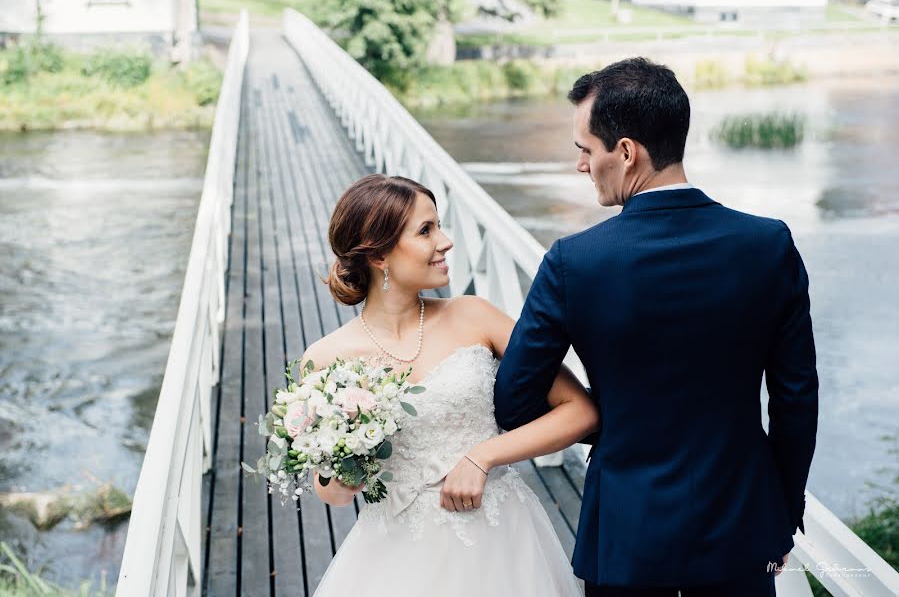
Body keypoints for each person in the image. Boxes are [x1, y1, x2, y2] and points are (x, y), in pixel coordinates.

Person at [493, 57, 819, 597]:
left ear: (625, 152)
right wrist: (780, 510)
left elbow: (515, 400)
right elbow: (796, 398)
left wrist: (607, 420)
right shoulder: (769, 245)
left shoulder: (575, 262)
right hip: (742, 523)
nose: (580, 166)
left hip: (626, 530)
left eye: (584, 149)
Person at [305, 174, 599, 596]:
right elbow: (331, 493)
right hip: (395, 557)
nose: (446, 241)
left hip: (500, 541)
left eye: (439, 225)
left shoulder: (473, 315)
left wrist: (484, 455)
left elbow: (581, 411)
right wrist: (347, 470)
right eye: (426, 230)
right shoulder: (326, 357)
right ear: (379, 254)